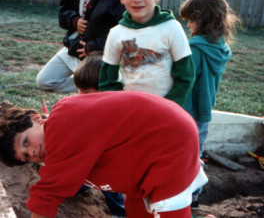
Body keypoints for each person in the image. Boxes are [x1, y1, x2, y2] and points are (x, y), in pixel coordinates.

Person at [0, 92, 207, 218]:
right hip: (146, 159)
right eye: (26, 156)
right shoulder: (66, 148)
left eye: (26, 142)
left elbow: (48, 193)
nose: (33, 152)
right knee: (137, 211)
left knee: (169, 211)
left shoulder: (61, 124)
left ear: (37, 119)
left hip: (169, 142)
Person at [99, 0, 195, 106]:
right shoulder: (116, 33)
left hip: (165, 109)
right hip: (130, 109)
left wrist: (169, 105)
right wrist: (119, 104)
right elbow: (106, 80)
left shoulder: (171, 27)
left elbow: (186, 76)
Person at [180, 0, 241, 210]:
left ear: (203, 20)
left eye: (191, 20)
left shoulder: (194, 49)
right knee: (196, 153)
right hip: (204, 113)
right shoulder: (222, 48)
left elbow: (185, 82)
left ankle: (181, 198)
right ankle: (195, 197)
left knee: (182, 156)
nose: (188, 25)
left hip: (186, 113)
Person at [73, 51, 126, 217]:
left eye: (86, 92)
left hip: (111, 163)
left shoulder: (116, 111)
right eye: (79, 90)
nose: (81, 96)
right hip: (86, 163)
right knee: (71, 189)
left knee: (111, 181)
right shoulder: (81, 107)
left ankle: (119, 212)